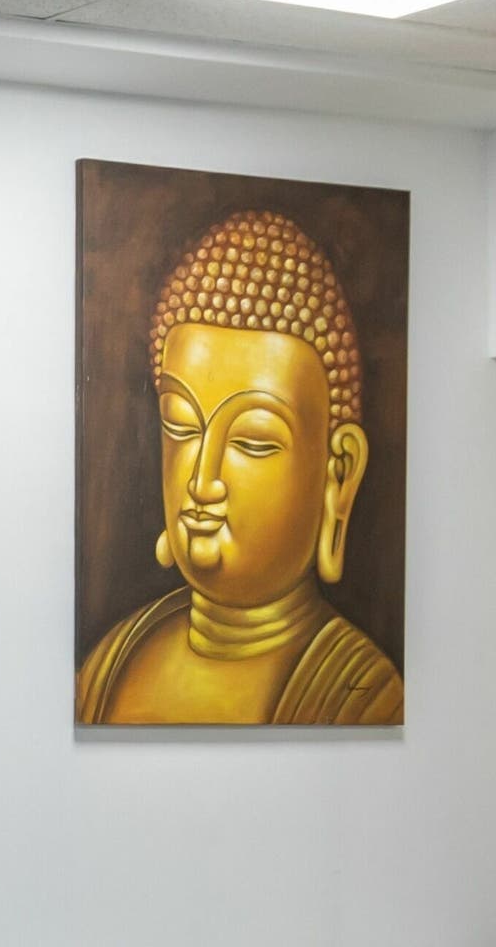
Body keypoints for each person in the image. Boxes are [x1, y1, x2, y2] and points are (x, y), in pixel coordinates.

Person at [76, 208, 403, 726]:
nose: (202, 480)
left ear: (337, 474)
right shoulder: (109, 665)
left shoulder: (362, 693)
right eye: (182, 427)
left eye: (252, 440)